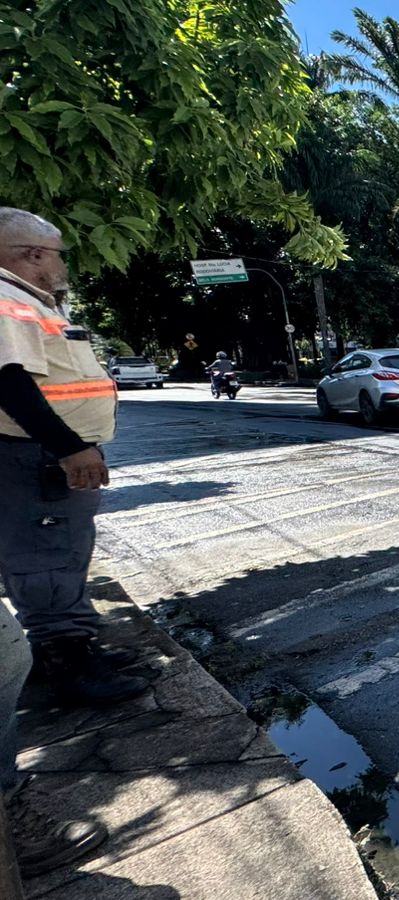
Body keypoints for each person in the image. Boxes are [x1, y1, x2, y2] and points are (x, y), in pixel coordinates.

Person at [0, 208, 124, 875]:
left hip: (41, 460)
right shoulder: (6, 301)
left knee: (64, 559)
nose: (62, 263)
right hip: (32, 461)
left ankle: (75, 650)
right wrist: (70, 446)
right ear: (28, 256)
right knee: (46, 561)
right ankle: (68, 663)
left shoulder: (25, 301)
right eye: (55, 253)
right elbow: (9, 382)